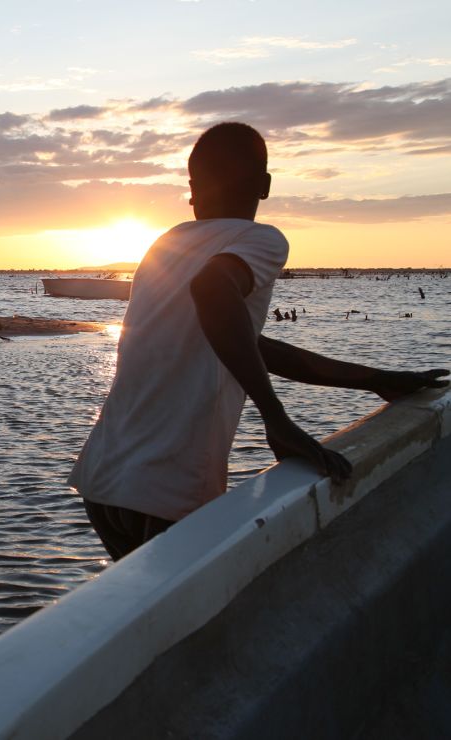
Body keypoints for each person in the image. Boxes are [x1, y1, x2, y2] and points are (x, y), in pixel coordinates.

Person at [69, 122, 448, 562]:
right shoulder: (260, 239)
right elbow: (212, 292)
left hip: (102, 484)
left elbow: (244, 344)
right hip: (165, 489)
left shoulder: (164, 245)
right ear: (264, 186)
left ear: (192, 190)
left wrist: (374, 378)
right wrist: (277, 419)